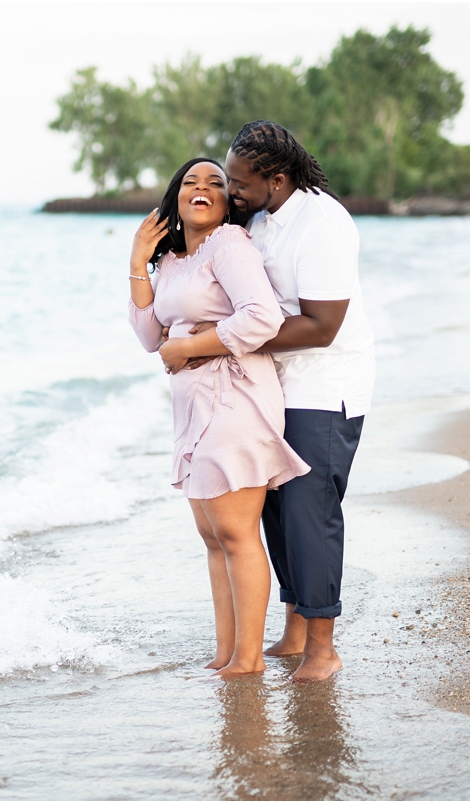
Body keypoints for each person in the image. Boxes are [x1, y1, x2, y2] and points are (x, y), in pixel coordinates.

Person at [128, 157, 310, 678]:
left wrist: (188, 345)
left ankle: (248, 660)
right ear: (176, 198)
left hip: (234, 396)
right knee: (214, 539)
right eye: (191, 182)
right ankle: (226, 653)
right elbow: (147, 336)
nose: (203, 188)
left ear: (229, 201)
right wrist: (139, 256)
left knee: (235, 533)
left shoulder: (229, 244)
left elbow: (261, 316)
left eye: (216, 182)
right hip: (193, 405)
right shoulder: (172, 262)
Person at [217, 120, 375, 683]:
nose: (231, 190)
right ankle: (294, 631)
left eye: (239, 182)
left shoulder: (322, 222)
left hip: (324, 385)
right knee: (277, 511)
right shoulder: (260, 217)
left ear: (276, 179)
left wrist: (226, 340)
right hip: (273, 384)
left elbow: (322, 325)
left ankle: (323, 649)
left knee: (311, 514)